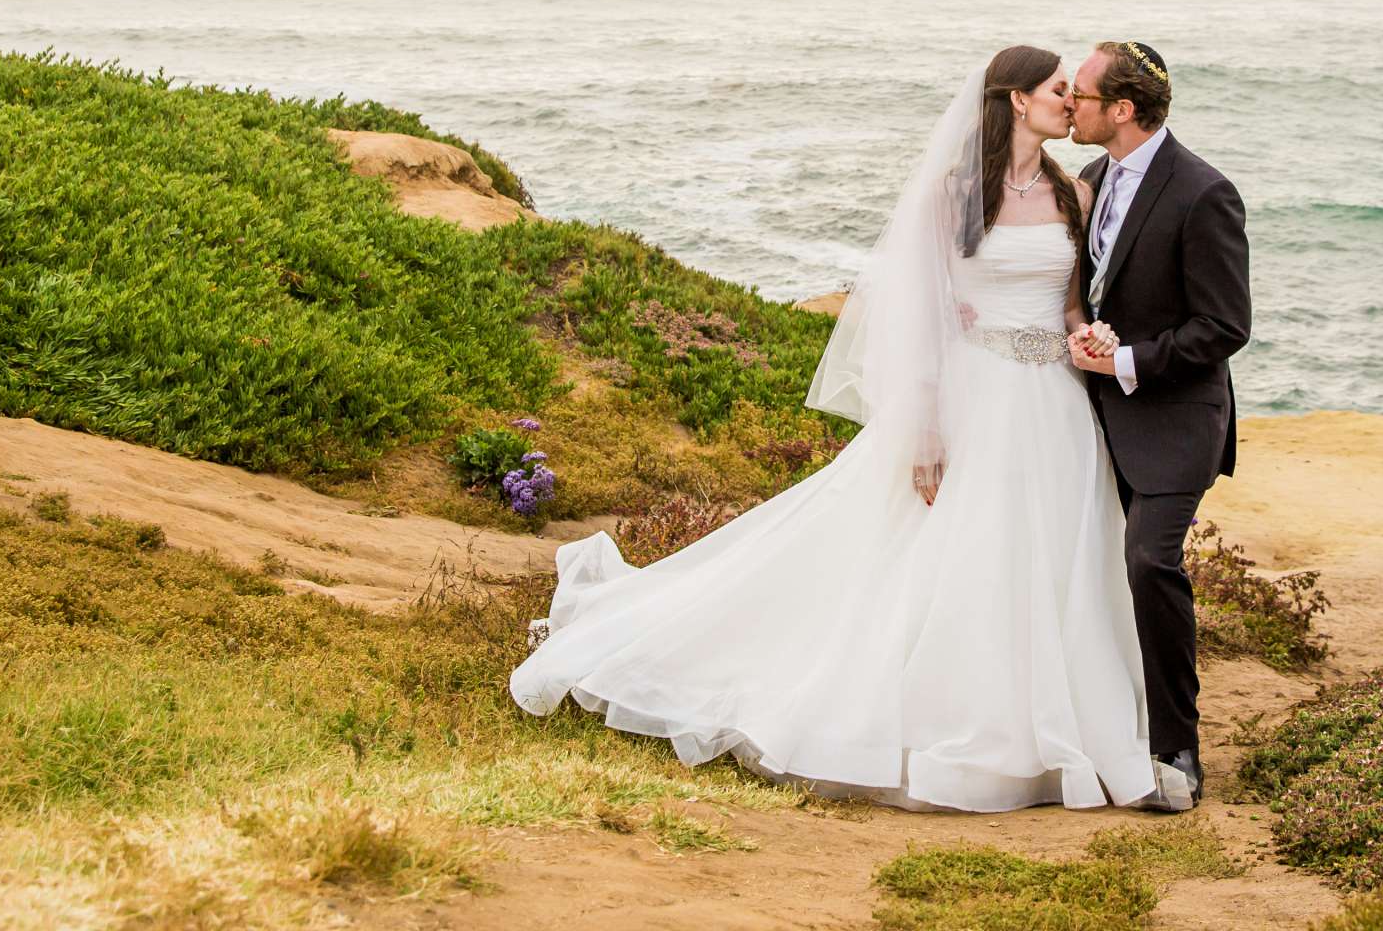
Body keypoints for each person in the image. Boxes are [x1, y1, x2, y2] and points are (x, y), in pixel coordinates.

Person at [509, 47, 1193, 813]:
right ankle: (963, 719)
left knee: (1053, 557)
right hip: (977, 396)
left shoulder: (1071, 188)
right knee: (965, 552)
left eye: (1075, 91)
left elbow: (1068, 305)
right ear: (1013, 100)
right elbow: (928, 316)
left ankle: (1058, 721)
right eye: (1057, 90)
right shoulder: (954, 193)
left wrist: (1086, 340)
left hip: (1059, 405)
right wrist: (928, 427)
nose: (1071, 102)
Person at [1065, 40, 1251, 807]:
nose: (1068, 104)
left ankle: (1178, 745)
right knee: (1084, 567)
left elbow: (1225, 324)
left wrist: (1130, 361)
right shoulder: (1089, 178)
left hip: (1177, 420)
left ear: (1122, 109)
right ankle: (1100, 721)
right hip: (1090, 418)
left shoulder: (1204, 192)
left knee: (1149, 562)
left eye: (1080, 94)